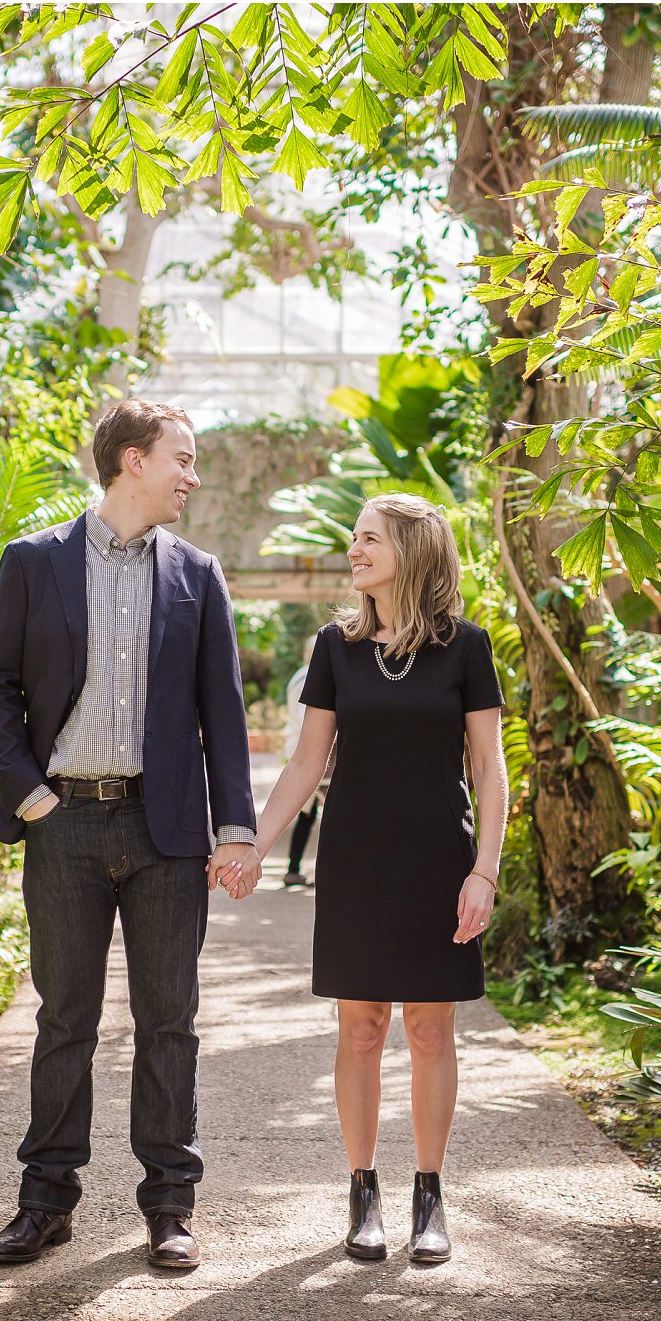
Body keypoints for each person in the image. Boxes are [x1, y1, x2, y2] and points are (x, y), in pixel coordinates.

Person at [0, 399, 263, 1271]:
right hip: (63, 821)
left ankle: (170, 1206)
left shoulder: (197, 573)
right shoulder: (34, 562)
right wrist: (30, 797)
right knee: (65, 1018)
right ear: (133, 460)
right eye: (182, 455)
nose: (193, 473)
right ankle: (46, 1202)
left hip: (166, 828)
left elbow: (225, 710)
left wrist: (236, 829)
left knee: (168, 1021)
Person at [225, 492, 507, 1264]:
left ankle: (429, 1193)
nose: (353, 551)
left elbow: (488, 768)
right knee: (361, 1028)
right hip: (355, 860)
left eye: (368, 540)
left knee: (429, 1027)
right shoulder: (335, 647)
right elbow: (307, 763)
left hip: (438, 863)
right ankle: (362, 1190)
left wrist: (485, 868)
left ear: (414, 551)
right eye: (355, 539)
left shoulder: (466, 648)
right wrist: (252, 843)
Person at [281, 636, 326, 887]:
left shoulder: (299, 675)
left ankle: (293, 868)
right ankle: (294, 868)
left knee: (307, 814)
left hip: (299, 750)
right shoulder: (311, 677)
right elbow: (307, 720)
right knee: (312, 813)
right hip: (310, 755)